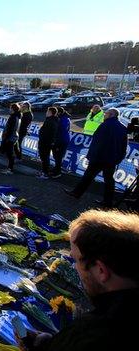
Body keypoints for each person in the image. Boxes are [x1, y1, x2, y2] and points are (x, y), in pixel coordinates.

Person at [17, 209, 139, 351]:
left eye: (76, 260)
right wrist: (50, 343)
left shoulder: (94, 335)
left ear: (101, 270)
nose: (75, 267)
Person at [65, 108, 127, 207]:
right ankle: (108, 201)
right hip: (112, 159)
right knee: (109, 181)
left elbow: (96, 143)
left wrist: (90, 156)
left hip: (99, 158)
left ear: (111, 115)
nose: (104, 115)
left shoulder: (104, 125)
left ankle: (76, 193)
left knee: (88, 177)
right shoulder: (123, 128)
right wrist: (119, 158)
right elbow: (124, 145)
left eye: (106, 114)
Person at [0, 103, 22, 174]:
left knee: (10, 154)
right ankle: (10, 168)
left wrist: (5, 138)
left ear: (12, 109)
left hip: (10, 138)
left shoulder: (13, 117)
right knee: (11, 153)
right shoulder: (18, 116)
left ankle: (10, 169)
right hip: (14, 136)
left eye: (10, 108)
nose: (9, 109)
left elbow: (10, 129)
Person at [37, 107, 59, 178]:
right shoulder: (50, 120)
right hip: (45, 142)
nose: (46, 113)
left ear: (50, 112)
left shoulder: (51, 121)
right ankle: (44, 171)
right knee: (44, 158)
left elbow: (51, 133)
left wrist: (49, 142)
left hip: (45, 143)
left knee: (45, 158)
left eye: (47, 111)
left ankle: (45, 173)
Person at [51, 107, 71, 178]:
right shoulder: (66, 118)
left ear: (59, 113)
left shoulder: (61, 120)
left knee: (58, 156)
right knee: (58, 156)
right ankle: (56, 169)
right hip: (64, 139)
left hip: (60, 140)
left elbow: (58, 131)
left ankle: (57, 172)